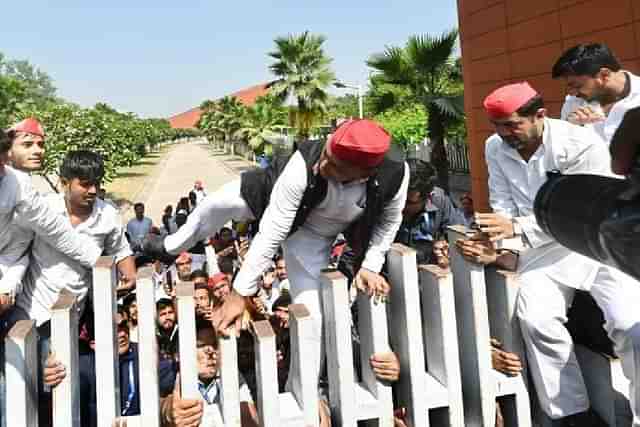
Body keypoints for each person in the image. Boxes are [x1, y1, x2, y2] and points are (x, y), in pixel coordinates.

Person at [149, 119, 409, 389]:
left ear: (364, 174)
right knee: (216, 205)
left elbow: (389, 222)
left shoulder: (396, 175)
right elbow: (272, 230)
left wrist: (370, 265)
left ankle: (304, 393)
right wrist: (240, 294)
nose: (322, 166)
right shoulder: (302, 165)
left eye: (335, 167)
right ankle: (170, 245)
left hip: (312, 238)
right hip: (272, 198)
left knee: (312, 319)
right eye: (326, 155)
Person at [465, 82, 640, 425]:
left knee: (628, 328)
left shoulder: (580, 143)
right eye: (498, 126)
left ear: (540, 115)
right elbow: (502, 202)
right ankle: (571, 413)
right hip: (542, 251)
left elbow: (586, 211)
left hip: (595, 244)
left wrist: (515, 230)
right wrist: (500, 241)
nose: (504, 134)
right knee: (537, 319)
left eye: (512, 125)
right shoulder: (494, 146)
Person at [7, 150, 135, 424]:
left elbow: (121, 252)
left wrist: (129, 277)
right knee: (34, 386)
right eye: (85, 184)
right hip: (32, 310)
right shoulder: (42, 208)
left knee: (62, 388)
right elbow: (16, 247)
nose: (92, 190)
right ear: (65, 182)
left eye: (97, 183)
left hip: (73, 316)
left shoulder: (108, 216)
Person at [161, 320, 259, 427]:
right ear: (178, 355)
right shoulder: (168, 377)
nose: (210, 351)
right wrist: (167, 410)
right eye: (201, 345)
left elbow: (249, 418)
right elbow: (157, 405)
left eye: (214, 344)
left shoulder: (230, 375)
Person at [552, 43, 640, 144]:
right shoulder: (573, 104)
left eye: (577, 86)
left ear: (604, 75)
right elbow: (562, 151)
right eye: (569, 86)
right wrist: (571, 129)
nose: (572, 93)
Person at [394, 158, 463, 264]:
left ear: (428, 197)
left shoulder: (439, 200)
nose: (401, 206)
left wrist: (446, 248)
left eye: (409, 202)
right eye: (399, 198)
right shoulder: (384, 200)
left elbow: (459, 235)